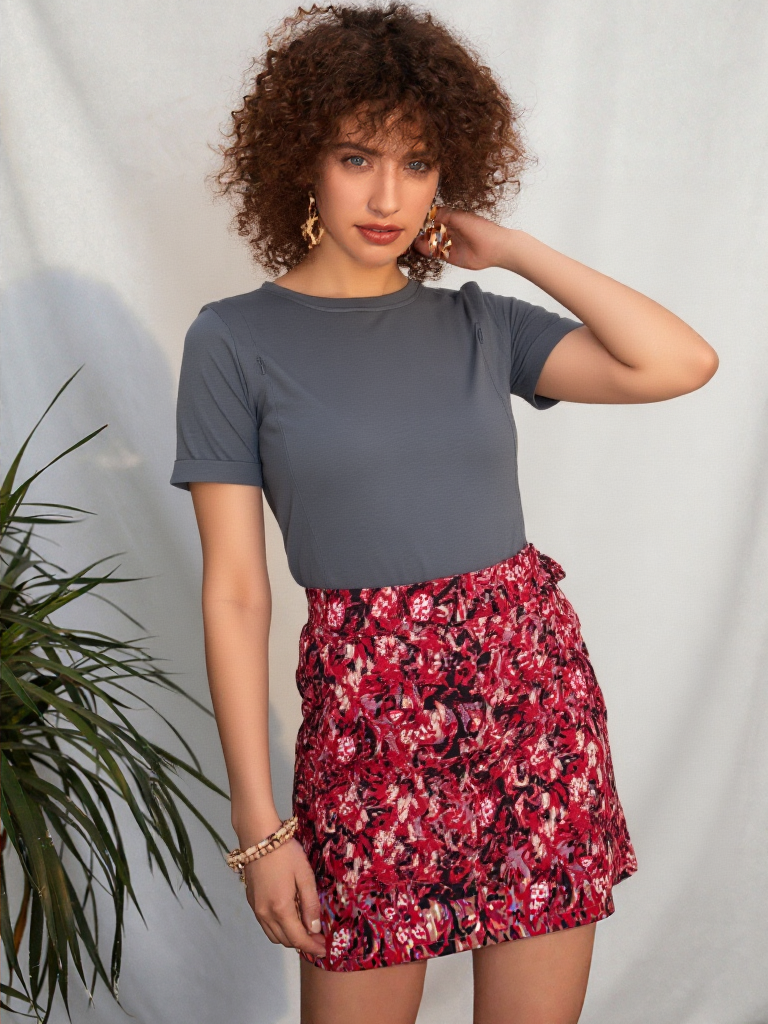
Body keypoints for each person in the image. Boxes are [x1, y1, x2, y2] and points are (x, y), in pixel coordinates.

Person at [170, 4, 718, 1022]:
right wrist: (262, 822)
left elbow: (678, 362)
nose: (387, 194)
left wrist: (511, 249)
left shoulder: (479, 323)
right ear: (301, 161)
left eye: (417, 163)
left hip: (532, 708)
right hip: (370, 725)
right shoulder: (235, 342)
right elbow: (238, 592)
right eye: (355, 156)